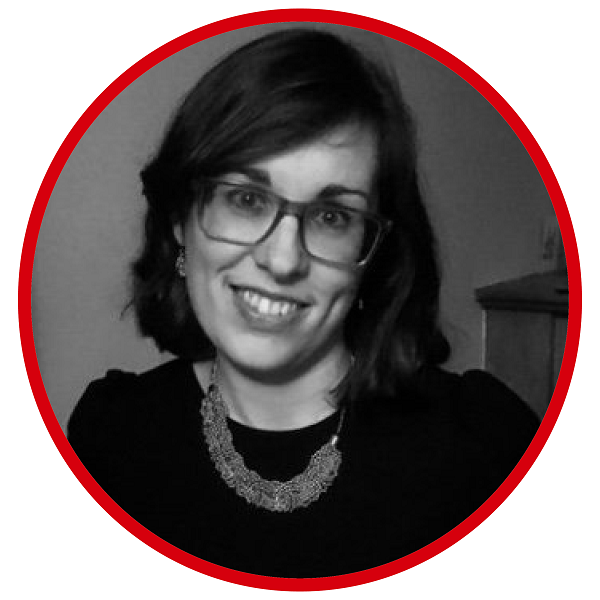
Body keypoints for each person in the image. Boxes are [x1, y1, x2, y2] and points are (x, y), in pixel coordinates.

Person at [67, 28, 539, 577]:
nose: (283, 259)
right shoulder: (110, 437)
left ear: (371, 254)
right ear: (180, 219)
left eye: (332, 217)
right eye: (246, 199)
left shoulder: (485, 448)